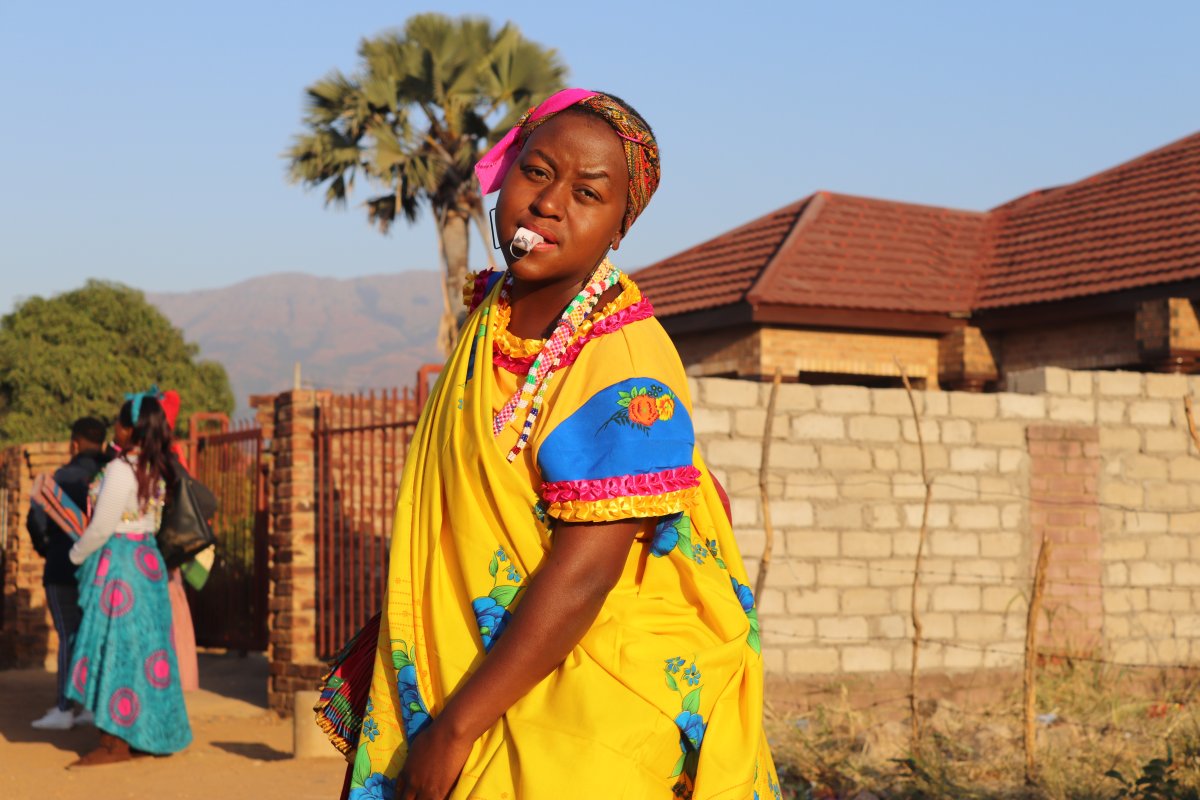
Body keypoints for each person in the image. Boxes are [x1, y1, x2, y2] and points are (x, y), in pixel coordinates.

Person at [350, 89, 780, 799]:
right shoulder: (494, 315)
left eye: (588, 192)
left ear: (619, 228)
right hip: (491, 672)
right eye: (538, 172)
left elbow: (585, 574)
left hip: (594, 691)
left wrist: (456, 729)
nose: (550, 203)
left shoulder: (624, 361)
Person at [65, 393, 192, 765]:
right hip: (148, 563)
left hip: (120, 567)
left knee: (115, 650)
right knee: (146, 652)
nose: (114, 429)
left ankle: (114, 740)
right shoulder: (157, 465)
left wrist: (77, 554)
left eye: (119, 423)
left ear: (129, 428)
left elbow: (102, 526)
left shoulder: (120, 469)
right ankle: (146, 732)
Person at [27, 417, 108, 730]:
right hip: (100, 569)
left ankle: (63, 707)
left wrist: (50, 550)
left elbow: (37, 523)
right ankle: (89, 706)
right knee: (92, 635)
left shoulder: (60, 478)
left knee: (67, 635)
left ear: (74, 444)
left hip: (62, 568)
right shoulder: (107, 475)